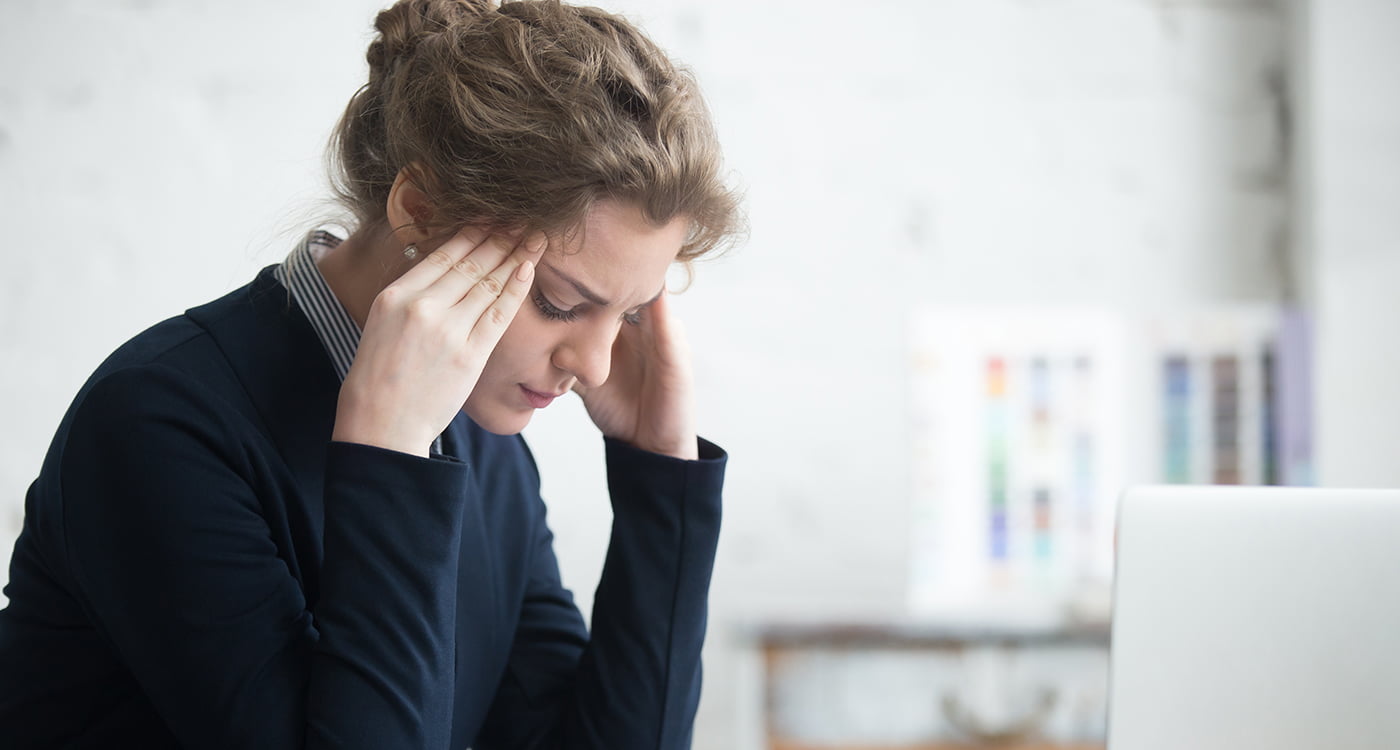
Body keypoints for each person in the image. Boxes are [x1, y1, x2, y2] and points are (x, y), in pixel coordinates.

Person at [0, 0, 742, 747]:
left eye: (631, 314)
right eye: (558, 302)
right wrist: (388, 454)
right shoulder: (161, 429)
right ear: (419, 211)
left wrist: (661, 483)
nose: (594, 364)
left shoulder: (484, 451)